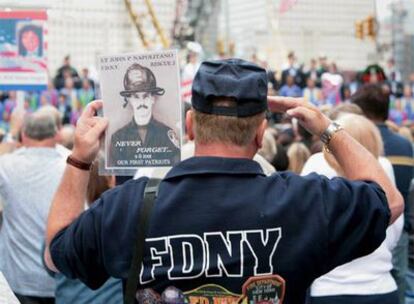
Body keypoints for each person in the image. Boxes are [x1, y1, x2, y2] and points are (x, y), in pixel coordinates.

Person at [45, 59, 403, 303]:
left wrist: (79, 159)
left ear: (188, 127)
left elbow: (55, 254)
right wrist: (326, 127)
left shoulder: (128, 203)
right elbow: (389, 202)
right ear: (260, 135)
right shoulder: (303, 200)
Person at [303, 113, 403, 304]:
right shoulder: (384, 168)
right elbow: (395, 228)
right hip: (378, 285)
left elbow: (305, 227)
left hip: (329, 287)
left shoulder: (316, 164)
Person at [352, 84, 414, 304]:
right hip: (400, 229)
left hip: (364, 231)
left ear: (361, 114)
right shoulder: (405, 145)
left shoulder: (356, 146)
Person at [0, 111, 67, 303]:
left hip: (19, 278)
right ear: (57, 134)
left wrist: (12, 133)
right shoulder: (73, 164)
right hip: (60, 277)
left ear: (24, 134)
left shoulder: (7, 165)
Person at [109, 63, 180, 168]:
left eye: (146, 96)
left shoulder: (167, 134)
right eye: (136, 97)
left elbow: (174, 168)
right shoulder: (118, 137)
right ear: (129, 100)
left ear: (153, 98)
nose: (141, 102)